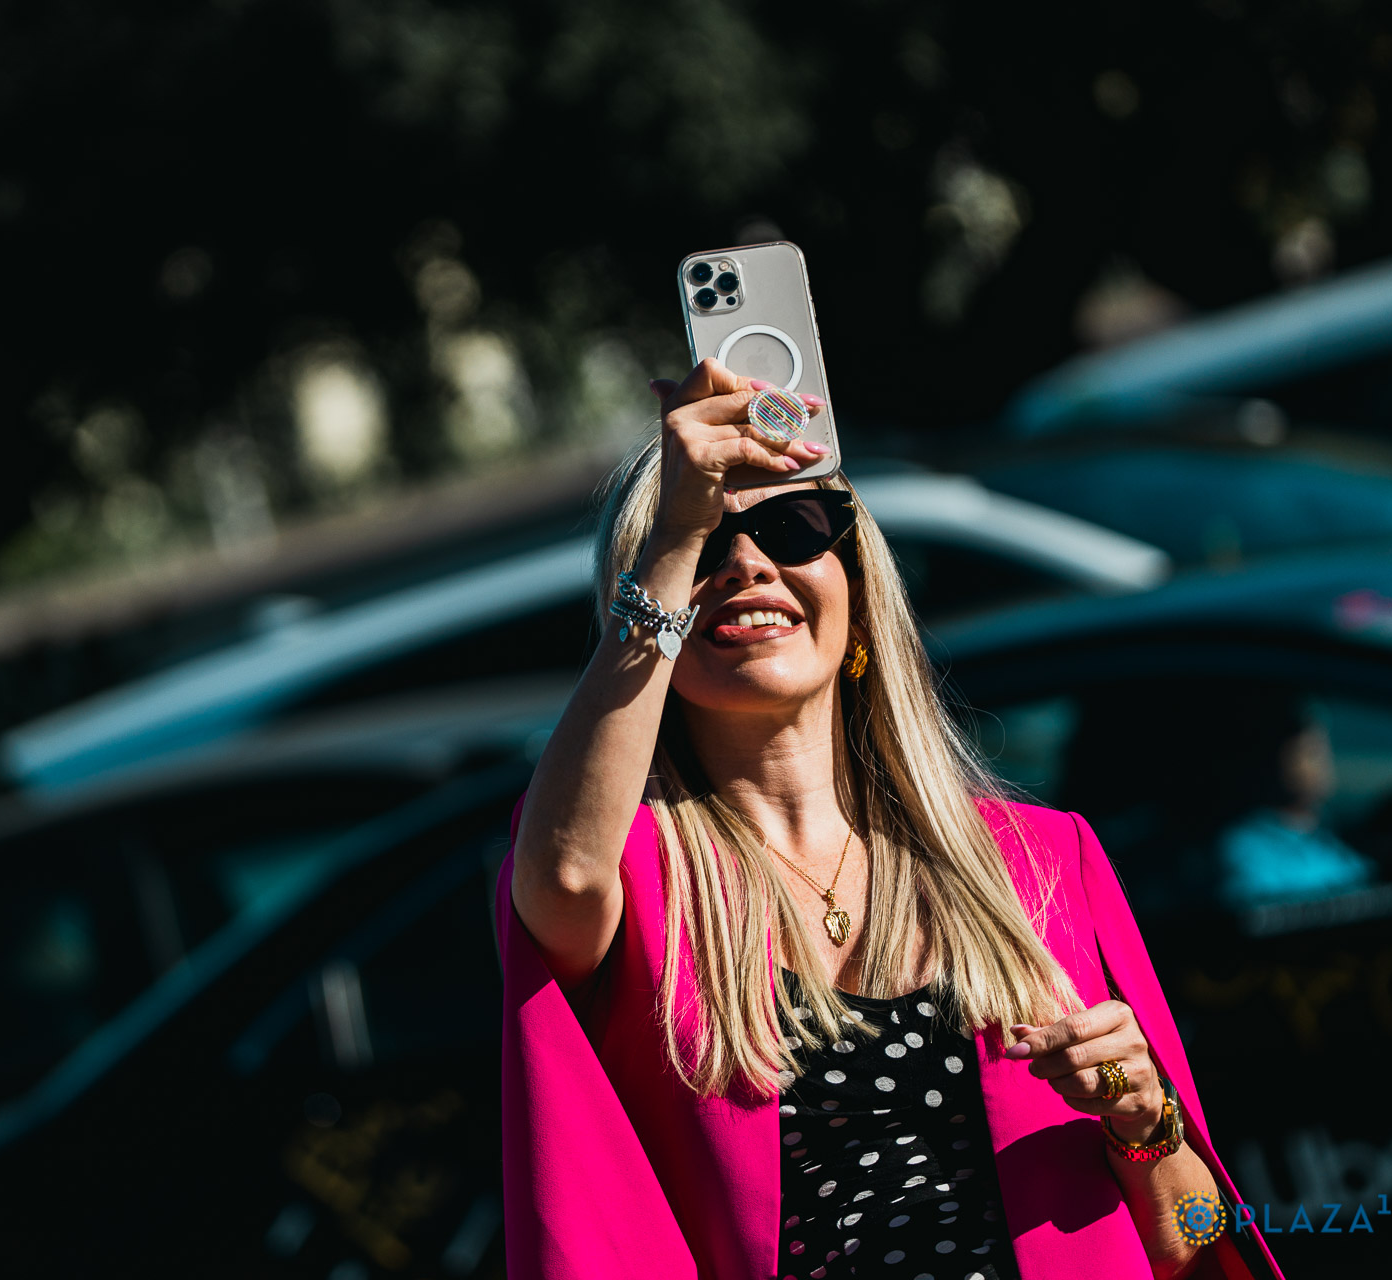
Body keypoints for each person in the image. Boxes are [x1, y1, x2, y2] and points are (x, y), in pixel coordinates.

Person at [497, 360, 1281, 1279]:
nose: (746, 564)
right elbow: (564, 874)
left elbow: (1192, 1250)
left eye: (791, 527)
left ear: (859, 590)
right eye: (707, 543)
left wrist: (1146, 1121)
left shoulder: (1043, 859)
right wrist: (671, 534)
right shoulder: (634, 879)